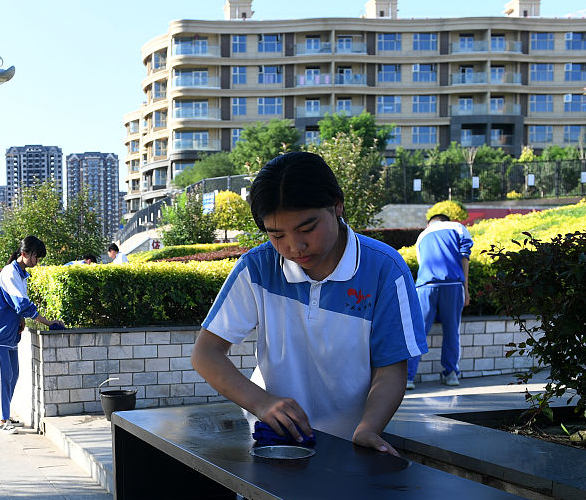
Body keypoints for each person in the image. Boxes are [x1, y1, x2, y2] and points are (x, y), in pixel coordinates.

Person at [191, 151, 427, 457]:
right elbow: (206, 352)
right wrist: (262, 403)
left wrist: (369, 428)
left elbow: (391, 368)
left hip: (351, 445)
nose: (294, 246)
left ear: (337, 205)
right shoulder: (258, 267)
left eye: (306, 229)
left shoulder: (383, 269)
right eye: (277, 234)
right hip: (273, 443)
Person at [0, 236, 63, 432]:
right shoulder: (10, 273)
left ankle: (3, 415)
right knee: (4, 377)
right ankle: (2, 420)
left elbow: (17, 305)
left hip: (9, 333)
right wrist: (49, 323)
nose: (37, 261)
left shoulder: (20, 274)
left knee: (12, 375)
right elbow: (22, 305)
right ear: (25, 254)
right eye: (36, 257)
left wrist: (21, 321)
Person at [406, 212, 473, 389]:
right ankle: (451, 375)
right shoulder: (458, 227)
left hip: (425, 286)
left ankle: (408, 378)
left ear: (430, 223)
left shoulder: (422, 236)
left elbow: (422, 264)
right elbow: (464, 257)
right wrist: (466, 289)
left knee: (418, 331)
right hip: (452, 285)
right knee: (452, 331)